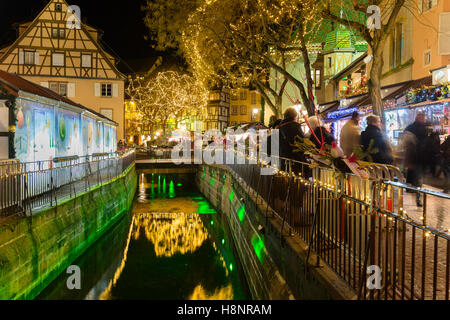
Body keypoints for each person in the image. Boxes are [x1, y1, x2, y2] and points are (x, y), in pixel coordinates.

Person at [403, 113, 427, 206]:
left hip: (413, 157)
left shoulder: (410, 128)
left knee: (415, 175)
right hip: (418, 157)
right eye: (423, 118)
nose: (424, 119)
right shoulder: (421, 128)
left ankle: (412, 189)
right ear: (419, 118)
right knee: (418, 178)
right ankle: (418, 198)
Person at [278, 107, 308, 173]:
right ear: (295, 117)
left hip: (283, 161)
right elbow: (303, 143)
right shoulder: (295, 127)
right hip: (296, 161)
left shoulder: (279, 128)